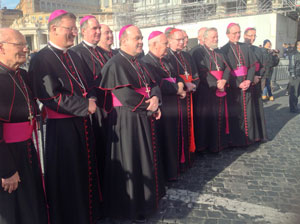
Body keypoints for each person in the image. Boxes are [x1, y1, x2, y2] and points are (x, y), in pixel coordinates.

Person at [29, 10, 102, 224]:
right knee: (69, 176)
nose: (73, 33)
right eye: (69, 29)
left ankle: (89, 214)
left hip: (81, 122)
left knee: (85, 170)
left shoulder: (74, 55)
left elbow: (88, 84)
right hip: (62, 130)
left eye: (74, 29)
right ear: (54, 29)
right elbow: (49, 96)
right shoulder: (41, 59)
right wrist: (84, 105)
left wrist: (93, 99)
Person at [99, 25, 164, 222]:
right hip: (127, 120)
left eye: (141, 38)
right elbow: (124, 95)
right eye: (137, 38)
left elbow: (153, 85)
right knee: (133, 160)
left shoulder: (140, 62)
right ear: (124, 40)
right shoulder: (115, 64)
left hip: (143, 114)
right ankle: (133, 207)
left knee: (145, 159)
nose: (140, 42)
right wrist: (149, 105)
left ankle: (147, 201)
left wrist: (155, 99)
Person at [0, 28, 48, 224]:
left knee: (30, 203)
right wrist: (6, 170)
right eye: (19, 45)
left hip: (27, 150)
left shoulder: (22, 74)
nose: (25, 49)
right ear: (1, 47)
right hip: (8, 155)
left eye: (25, 45)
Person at [71, 16, 109, 187]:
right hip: (95, 108)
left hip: (109, 106)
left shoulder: (102, 51)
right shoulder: (76, 52)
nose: (98, 32)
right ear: (83, 30)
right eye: (94, 28)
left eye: (99, 28)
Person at [142, 31, 186, 181]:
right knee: (165, 140)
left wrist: (180, 84)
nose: (167, 46)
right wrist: (177, 89)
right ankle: (168, 173)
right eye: (165, 43)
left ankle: (176, 169)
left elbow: (177, 75)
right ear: (154, 44)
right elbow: (158, 83)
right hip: (164, 106)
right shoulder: (146, 62)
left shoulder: (166, 59)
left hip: (175, 103)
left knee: (174, 137)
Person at [191, 27, 230, 152]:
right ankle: (204, 147)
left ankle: (217, 145)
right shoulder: (198, 52)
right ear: (205, 38)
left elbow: (228, 68)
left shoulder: (219, 52)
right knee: (206, 120)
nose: (216, 39)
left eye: (217, 36)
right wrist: (216, 84)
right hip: (206, 91)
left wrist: (224, 80)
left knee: (218, 119)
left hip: (220, 88)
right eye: (213, 37)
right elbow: (201, 72)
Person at [166, 28, 199, 170]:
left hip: (189, 96)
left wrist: (194, 86)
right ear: (170, 40)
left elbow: (196, 75)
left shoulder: (187, 55)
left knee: (188, 127)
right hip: (176, 98)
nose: (182, 42)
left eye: (183, 39)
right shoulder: (167, 56)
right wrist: (184, 87)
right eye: (178, 40)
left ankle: (188, 156)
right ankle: (180, 159)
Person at [220, 23, 257, 147]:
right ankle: (237, 141)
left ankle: (249, 139)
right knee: (236, 114)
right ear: (228, 34)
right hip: (234, 89)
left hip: (247, 86)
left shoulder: (245, 47)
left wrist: (249, 80)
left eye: (239, 32)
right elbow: (225, 71)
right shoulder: (223, 50)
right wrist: (237, 84)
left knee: (249, 114)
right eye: (234, 33)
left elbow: (252, 65)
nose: (238, 35)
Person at [244, 27, 268, 142]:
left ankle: (259, 135)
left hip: (256, 82)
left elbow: (263, 65)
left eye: (254, 36)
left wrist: (258, 76)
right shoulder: (240, 48)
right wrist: (249, 78)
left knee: (257, 108)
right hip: (245, 83)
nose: (252, 38)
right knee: (247, 111)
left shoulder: (258, 50)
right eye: (250, 35)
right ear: (244, 35)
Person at [288, 40, 300, 113]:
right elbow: (292, 65)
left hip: (299, 74)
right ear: (298, 45)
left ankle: (295, 105)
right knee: (294, 92)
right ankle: (293, 108)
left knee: (297, 91)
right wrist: (293, 74)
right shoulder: (294, 54)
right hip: (295, 75)